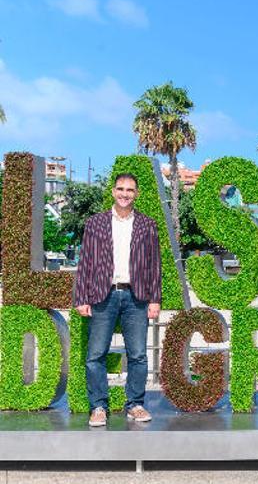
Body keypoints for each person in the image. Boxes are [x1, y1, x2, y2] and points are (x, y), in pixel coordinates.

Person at [74, 173, 161, 427]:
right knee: (95, 355)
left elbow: (154, 265)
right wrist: (81, 297)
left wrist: (155, 299)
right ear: (113, 192)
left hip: (136, 296)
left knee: (137, 355)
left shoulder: (148, 225)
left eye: (130, 190)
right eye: (121, 189)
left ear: (137, 194)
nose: (125, 194)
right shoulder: (95, 223)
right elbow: (85, 262)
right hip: (103, 294)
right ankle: (98, 406)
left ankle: (135, 404)